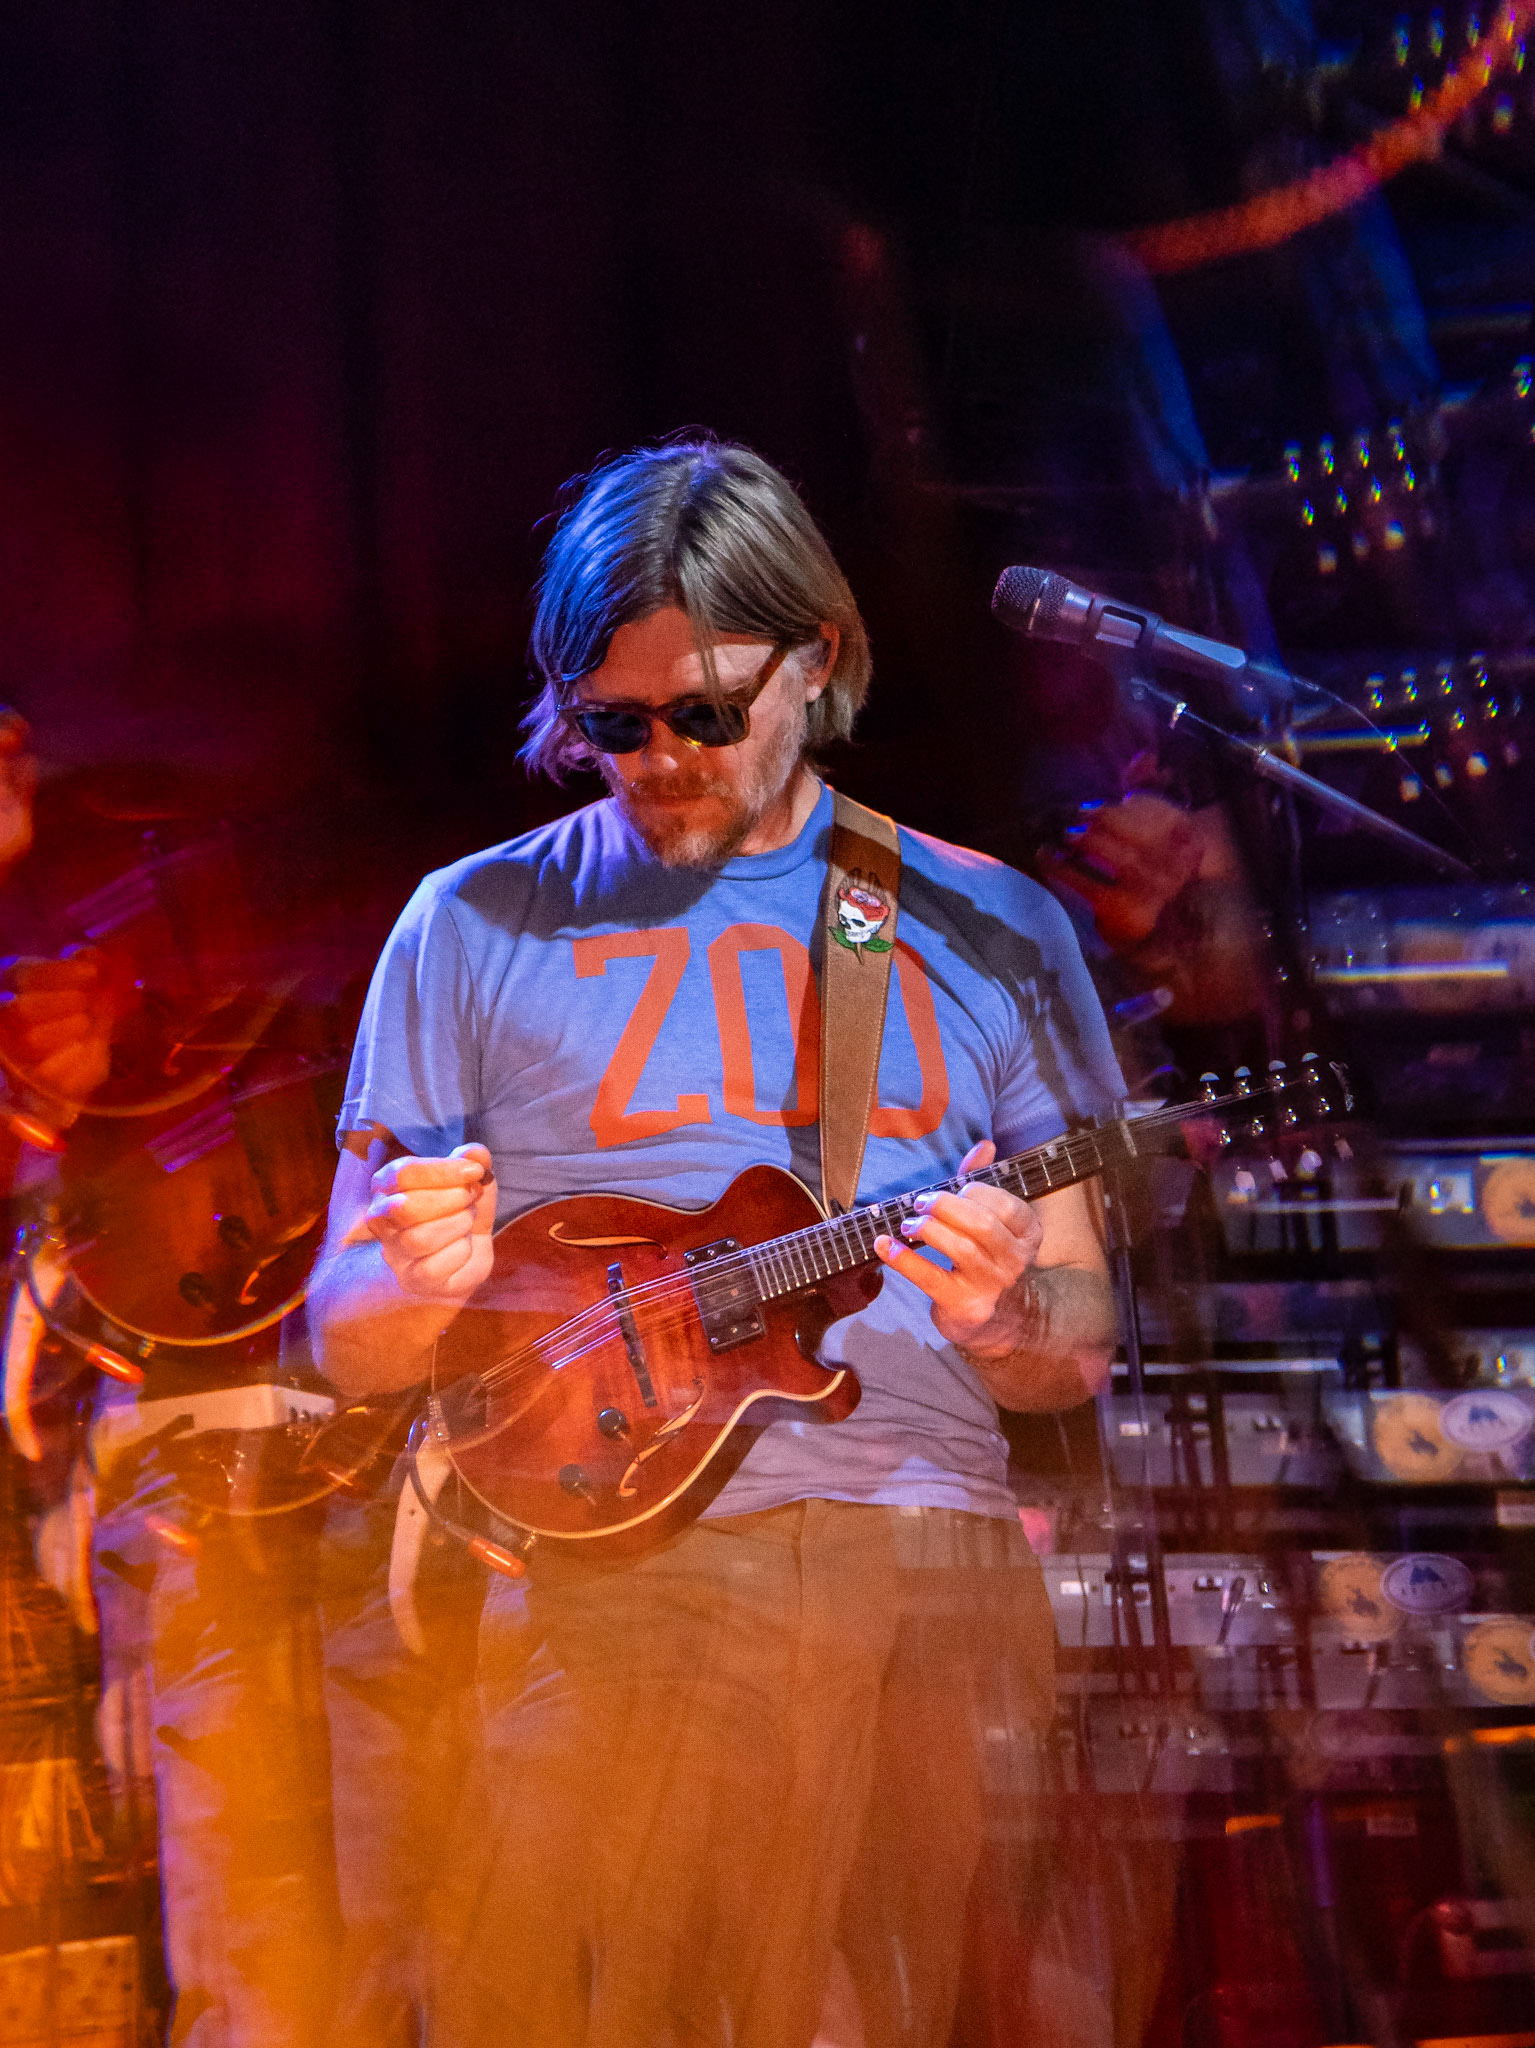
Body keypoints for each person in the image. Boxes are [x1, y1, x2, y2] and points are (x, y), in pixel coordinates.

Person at [308, 437, 1123, 2048]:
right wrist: (404, 1281)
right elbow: (343, 1332)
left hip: (921, 1567)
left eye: (706, 712)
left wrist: (1004, 1316)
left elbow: (1079, 1343)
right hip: (612, 1568)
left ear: (815, 660)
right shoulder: (471, 922)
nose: (660, 760)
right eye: (614, 724)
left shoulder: (983, 925)